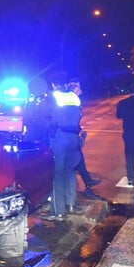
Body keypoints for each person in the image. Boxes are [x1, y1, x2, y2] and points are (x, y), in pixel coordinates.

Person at [44, 74, 83, 220]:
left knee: (57, 174)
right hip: (73, 137)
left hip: (59, 138)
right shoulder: (74, 97)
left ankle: (58, 211)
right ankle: (71, 203)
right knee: (70, 170)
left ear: (54, 85)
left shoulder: (53, 96)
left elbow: (46, 117)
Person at [66, 80, 101, 191]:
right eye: (79, 87)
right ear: (75, 90)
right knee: (76, 158)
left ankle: (88, 181)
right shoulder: (73, 101)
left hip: (72, 133)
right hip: (69, 135)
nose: (81, 89)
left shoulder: (74, 100)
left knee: (79, 158)